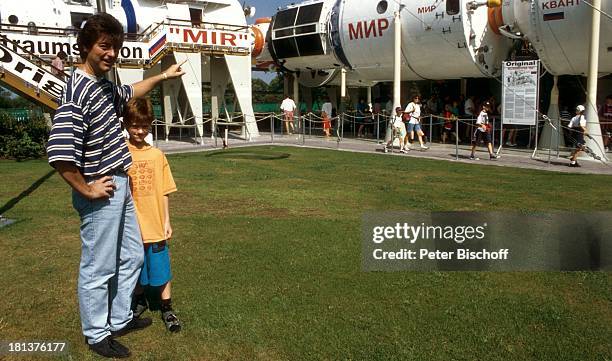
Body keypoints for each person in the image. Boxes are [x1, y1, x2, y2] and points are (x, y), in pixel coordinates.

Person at [45, 13, 186, 358]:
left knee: (132, 255)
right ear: (86, 47)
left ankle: (120, 316)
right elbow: (60, 152)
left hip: (121, 186)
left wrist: (163, 75)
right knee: (98, 266)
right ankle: (96, 333)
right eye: (104, 46)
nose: (111, 54)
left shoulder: (104, 87)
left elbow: (132, 89)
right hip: (101, 192)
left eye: (116, 48)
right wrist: (88, 189)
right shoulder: (77, 90)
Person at [123, 98, 181, 333]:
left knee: (160, 267)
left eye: (144, 126)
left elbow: (165, 191)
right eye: (135, 125)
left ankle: (166, 307)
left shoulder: (158, 156)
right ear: (126, 124)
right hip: (130, 226)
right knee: (134, 266)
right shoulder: (120, 153)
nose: (139, 131)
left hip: (155, 223)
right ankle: (139, 301)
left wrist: (166, 221)